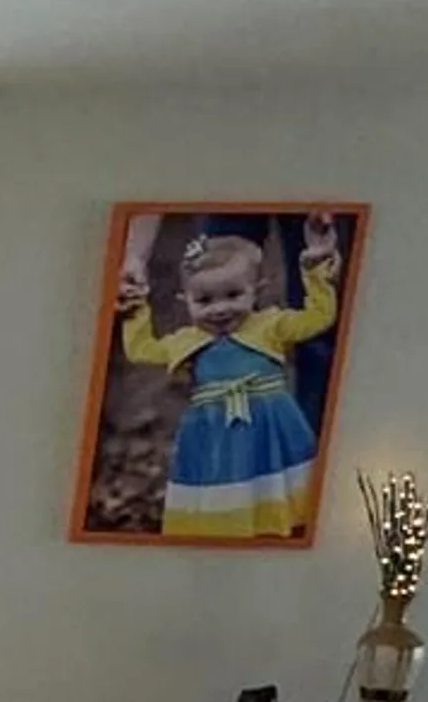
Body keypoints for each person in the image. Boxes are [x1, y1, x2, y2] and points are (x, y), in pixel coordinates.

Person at [114, 219, 340, 539]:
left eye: (233, 295)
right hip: (215, 430)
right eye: (204, 301)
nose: (220, 309)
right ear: (185, 301)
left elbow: (320, 317)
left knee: (273, 485)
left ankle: (278, 531)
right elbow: (141, 350)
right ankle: (229, 534)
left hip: (269, 421)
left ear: (257, 290)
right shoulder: (187, 340)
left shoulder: (270, 326)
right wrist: (136, 311)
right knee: (225, 487)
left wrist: (315, 270)